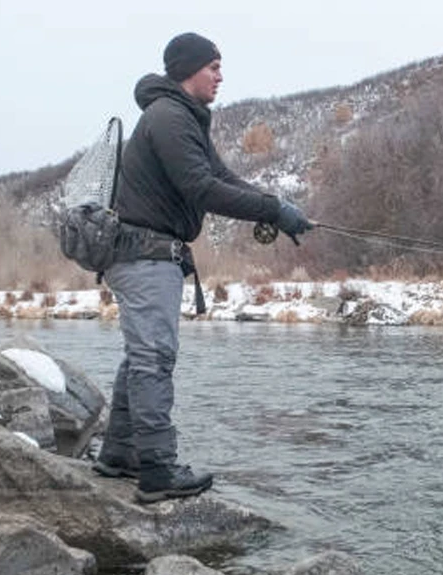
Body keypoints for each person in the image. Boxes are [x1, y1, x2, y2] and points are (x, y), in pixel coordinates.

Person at [92, 32, 313, 504]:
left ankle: (119, 455)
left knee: (141, 357)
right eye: (213, 66)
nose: (220, 75)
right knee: (153, 358)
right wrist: (272, 211)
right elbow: (201, 188)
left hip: (148, 256)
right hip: (145, 255)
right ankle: (156, 471)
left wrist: (277, 206)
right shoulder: (169, 117)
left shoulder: (183, 117)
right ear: (188, 69)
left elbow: (223, 178)